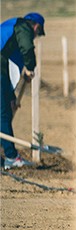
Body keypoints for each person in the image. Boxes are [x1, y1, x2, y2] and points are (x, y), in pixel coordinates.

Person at [1, 12, 46, 169]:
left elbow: (5, 71)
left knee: (5, 109)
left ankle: (7, 154)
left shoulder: (12, 27)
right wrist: (31, 67)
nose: (35, 36)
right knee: (3, 114)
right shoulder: (23, 27)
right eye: (38, 33)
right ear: (36, 26)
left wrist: (11, 97)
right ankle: (11, 157)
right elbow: (26, 49)